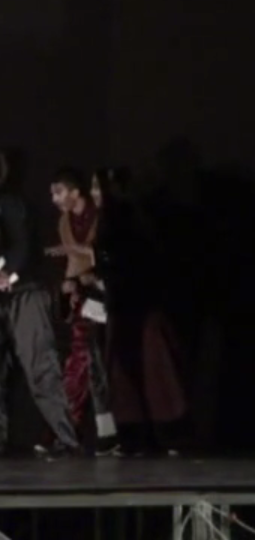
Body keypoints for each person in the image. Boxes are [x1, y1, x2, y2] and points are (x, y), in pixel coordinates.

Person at [0, 144, 78, 458]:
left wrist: (9, 275)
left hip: (26, 293)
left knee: (39, 365)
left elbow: (23, 247)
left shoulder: (9, 202)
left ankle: (68, 437)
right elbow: (3, 251)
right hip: (1, 294)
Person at [91, 168, 188, 456]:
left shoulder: (126, 218)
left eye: (98, 187)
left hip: (134, 306)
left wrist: (106, 278)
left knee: (141, 371)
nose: (94, 193)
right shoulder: (120, 217)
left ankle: (152, 436)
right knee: (131, 373)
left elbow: (134, 261)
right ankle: (143, 436)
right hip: (127, 304)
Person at [47, 167, 118, 455]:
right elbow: (73, 263)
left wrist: (79, 258)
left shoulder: (101, 218)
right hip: (85, 299)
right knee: (81, 359)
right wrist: (70, 285)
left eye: (59, 192)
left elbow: (99, 255)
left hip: (106, 295)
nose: (54, 199)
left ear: (76, 193)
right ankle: (70, 428)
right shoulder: (65, 221)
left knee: (97, 362)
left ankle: (106, 432)